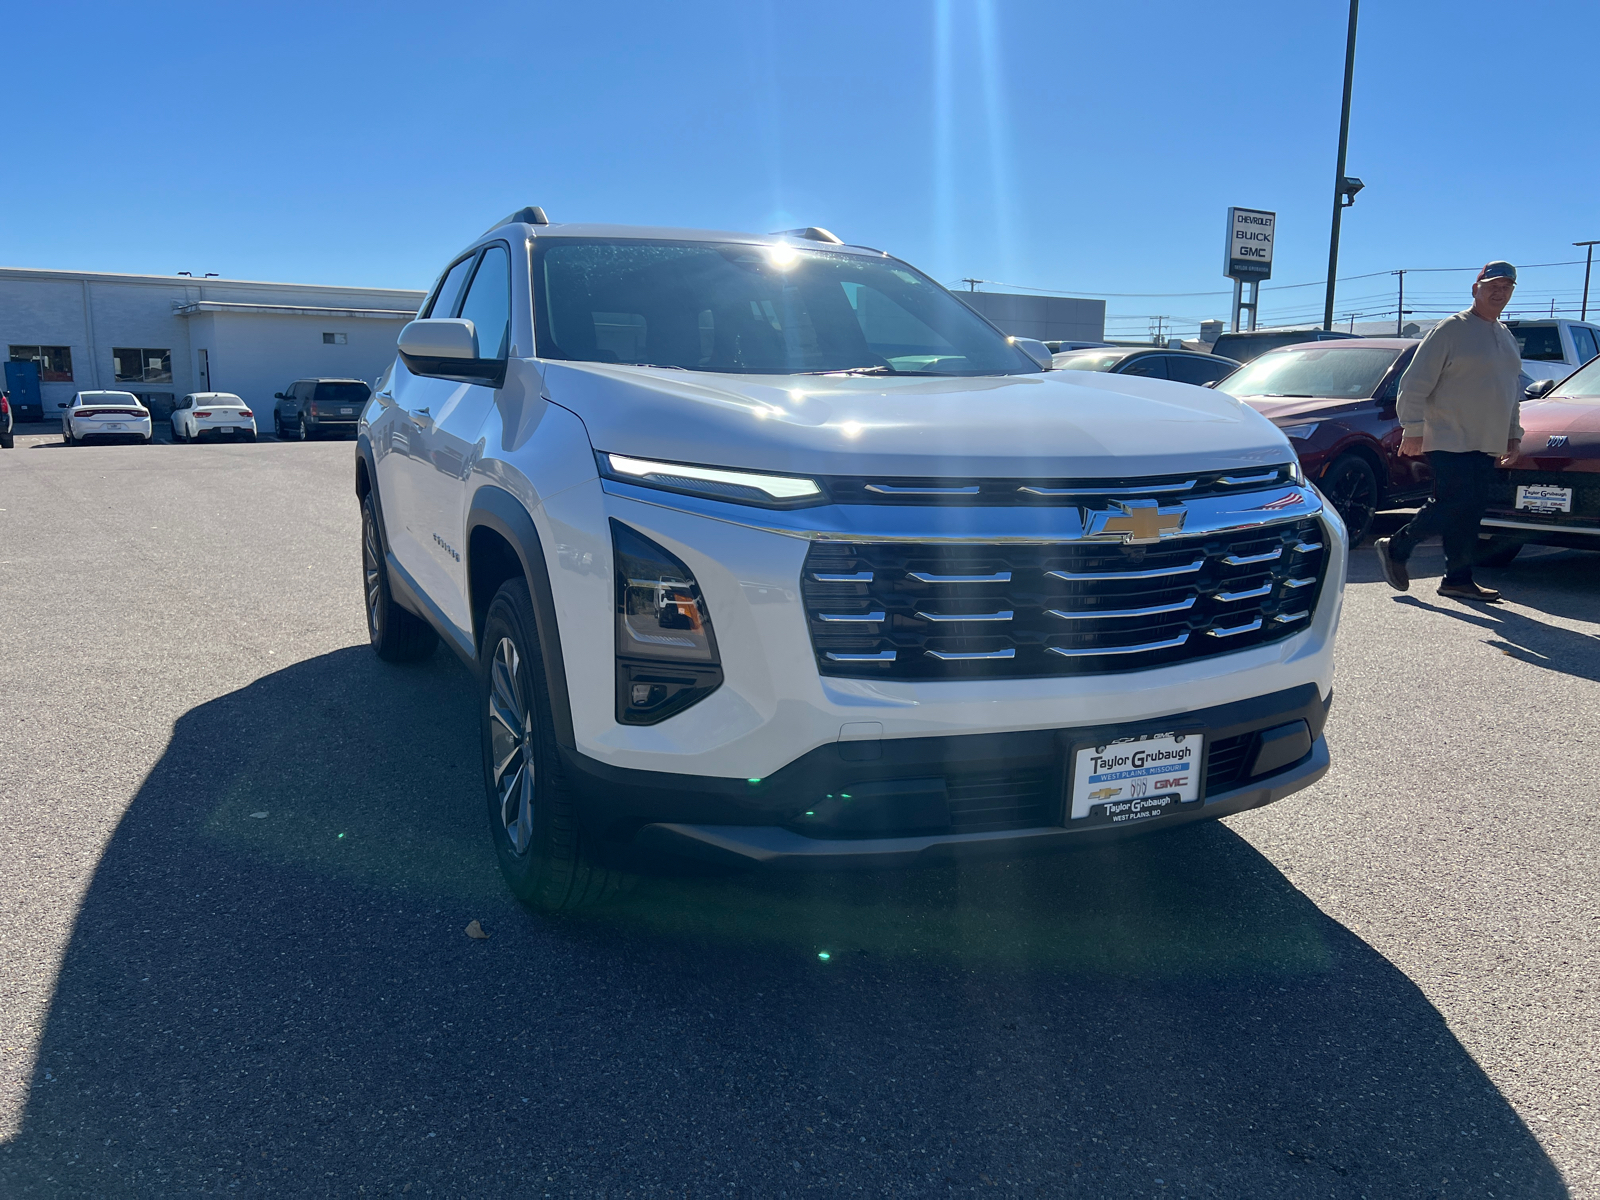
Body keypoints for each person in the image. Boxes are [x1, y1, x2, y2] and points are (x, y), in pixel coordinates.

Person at [1374, 261, 1524, 602]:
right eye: (1492, 286)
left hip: (1486, 439)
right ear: (1476, 289)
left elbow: (1510, 391)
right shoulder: (1451, 329)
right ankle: (1396, 547)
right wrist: (1412, 429)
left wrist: (1513, 434)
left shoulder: (1506, 336)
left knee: (1471, 509)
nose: (1499, 292)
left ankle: (1457, 579)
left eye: (1506, 287)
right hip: (1448, 434)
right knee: (1452, 503)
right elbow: (1414, 383)